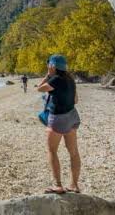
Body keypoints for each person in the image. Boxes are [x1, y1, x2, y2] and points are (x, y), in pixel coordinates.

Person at [37, 54, 81, 194]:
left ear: (52, 66)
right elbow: (76, 100)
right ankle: (74, 185)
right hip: (72, 116)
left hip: (58, 118)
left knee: (52, 151)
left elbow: (39, 88)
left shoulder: (55, 79)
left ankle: (58, 185)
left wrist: (48, 75)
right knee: (73, 152)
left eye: (49, 65)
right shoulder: (70, 80)